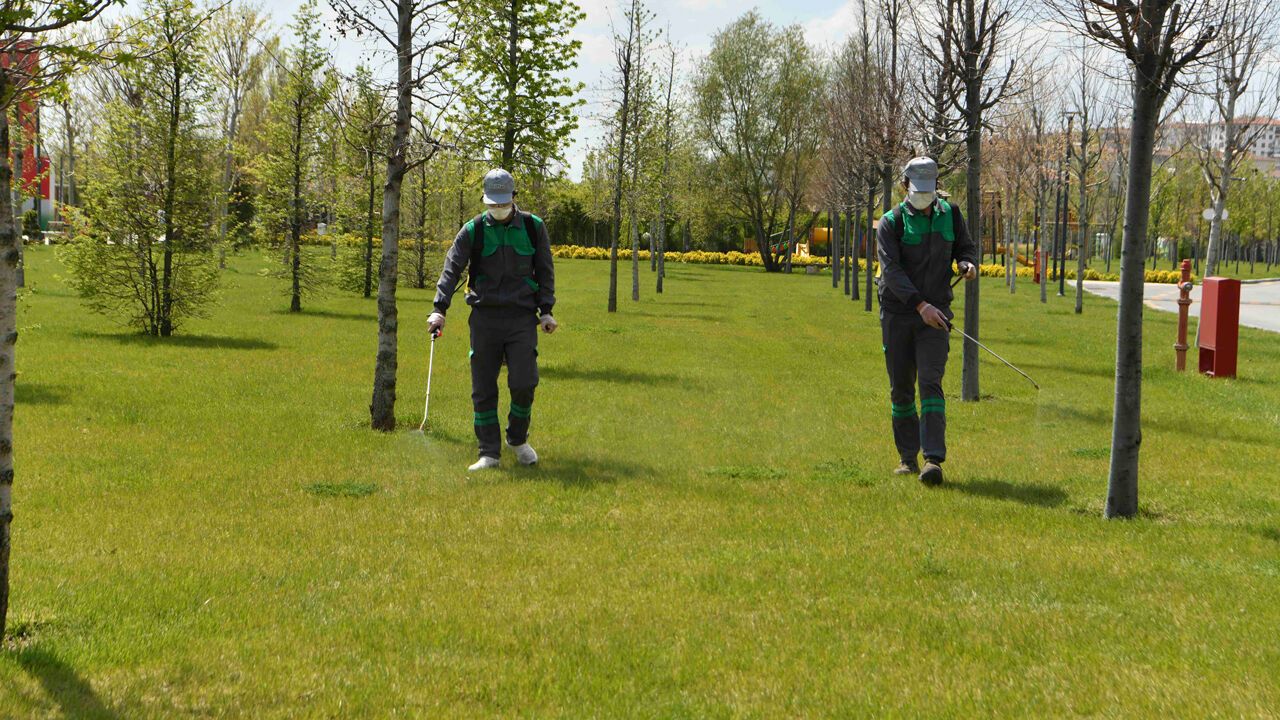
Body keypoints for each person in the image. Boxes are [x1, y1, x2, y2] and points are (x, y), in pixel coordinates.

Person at [428, 169, 557, 472]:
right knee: (483, 386)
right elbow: (452, 269)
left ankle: (517, 439)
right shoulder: (473, 230)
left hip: (521, 318)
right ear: (486, 201)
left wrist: (546, 310)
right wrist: (439, 309)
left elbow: (545, 271)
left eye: (502, 203)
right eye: (492, 204)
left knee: (524, 381)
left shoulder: (532, 227)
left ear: (513, 198)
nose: (497, 209)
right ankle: (489, 452)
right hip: (484, 318)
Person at [876, 157, 978, 486]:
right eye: (917, 190)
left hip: (936, 314)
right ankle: (908, 457)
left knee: (931, 381)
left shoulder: (952, 215)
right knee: (902, 387)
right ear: (905, 186)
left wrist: (966, 263)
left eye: (929, 190)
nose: (923, 196)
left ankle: (933, 459)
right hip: (899, 313)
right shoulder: (891, 222)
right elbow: (892, 273)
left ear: (937, 188)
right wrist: (920, 305)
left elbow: (965, 246)